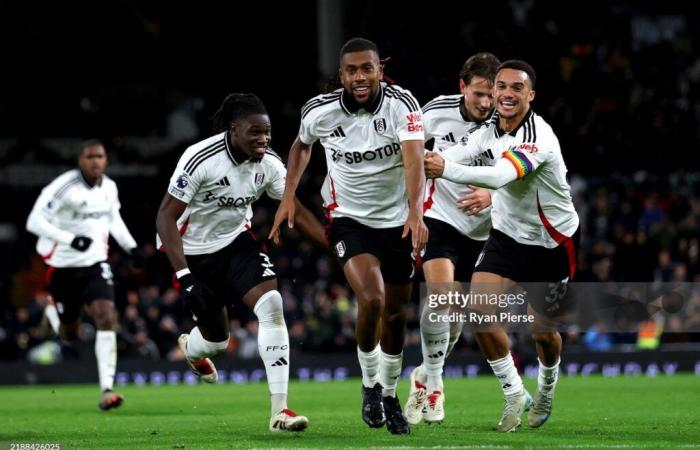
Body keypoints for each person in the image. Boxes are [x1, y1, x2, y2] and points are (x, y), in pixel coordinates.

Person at [269, 37, 428, 435]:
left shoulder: (402, 105)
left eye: (367, 69)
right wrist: (288, 195)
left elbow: (412, 160)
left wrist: (415, 212)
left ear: (380, 69)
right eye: (352, 70)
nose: (360, 77)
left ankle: (390, 393)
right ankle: (371, 385)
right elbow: (300, 147)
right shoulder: (319, 110)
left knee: (395, 315)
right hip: (348, 219)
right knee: (371, 299)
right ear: (340, 75)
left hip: (398, 222)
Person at [424, 60, 580, 432]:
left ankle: (545, 386)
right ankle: (513, 392)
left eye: (516, 88)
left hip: (552, 241)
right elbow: (459, 154)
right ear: (493, 92)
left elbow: (497, 176)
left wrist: (442, 167)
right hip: (507, 235)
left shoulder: (537, 137)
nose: (507, 94)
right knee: (479, 312)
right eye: (502, 87)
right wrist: (424, 158)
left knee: (544, 333)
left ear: (530, 95)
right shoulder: (488, 128)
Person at [156, 93, 325, 433]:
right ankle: (193, 349)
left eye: (267, 133)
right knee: (217, 342)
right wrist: (186, 277)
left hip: (236, 244)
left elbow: (297, 210)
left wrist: (336, 251)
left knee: (272, 305)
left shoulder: (270, 165)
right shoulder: (200, 158)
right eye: (254, 133)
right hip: (192, 252)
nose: (263, 139)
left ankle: (280, 412)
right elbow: (165, 218)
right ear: (234, 130)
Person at [405, 52, 501, 425]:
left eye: (490, 95)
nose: (485, 103)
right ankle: (436, 383)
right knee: (442, 299)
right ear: (463, 86)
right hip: (440, 217)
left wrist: (491, 195)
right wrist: (413, 212)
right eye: (478, 93)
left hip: (488, 228)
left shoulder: (506, 120)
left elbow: (525, 172)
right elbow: (409, 161)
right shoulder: (433, 113)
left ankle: (425, 374)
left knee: (460, 315)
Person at [26, 140, 143, 411]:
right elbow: (34, 221)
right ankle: (54, 314)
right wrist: (69, 238)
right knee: (69, 334)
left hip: (94, 264)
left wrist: (131, 247)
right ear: (80, 160)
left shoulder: (110, 188)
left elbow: (113, 218)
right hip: (61, 266)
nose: (95, 161)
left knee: (106, 316)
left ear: (106, 161)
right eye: (90, 157)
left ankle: (107, 389)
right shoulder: (63, 187)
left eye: (100, 157)